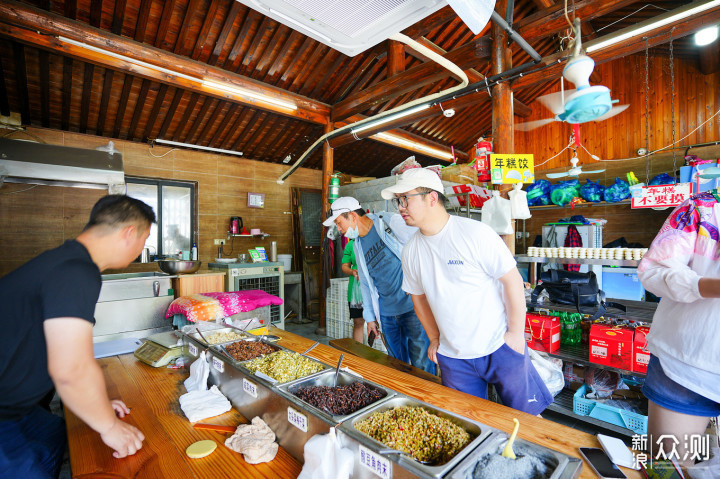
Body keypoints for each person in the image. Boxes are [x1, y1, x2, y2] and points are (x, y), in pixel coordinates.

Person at [0, 195, 153, 477]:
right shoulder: (76, 271)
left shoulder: (65, 261)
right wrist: (109, 426)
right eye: (145, 240)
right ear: (129, 233)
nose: (142, 248)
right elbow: (71, 369)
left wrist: (96, 404)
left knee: (54, 433)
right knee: (32, 466)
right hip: (4, 411)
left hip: (16, 405)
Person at [381, 168, 552, 415]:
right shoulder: (411, 250)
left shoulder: (474, 233)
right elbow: (418, 300)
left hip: (499, 346)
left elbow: (512, 280)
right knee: (468, 426)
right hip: (454, 357)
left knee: (528, 420)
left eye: (406, 198)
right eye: (398, 201)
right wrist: (435, 339)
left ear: (431, 198)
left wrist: (515, 334)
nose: (400, 207)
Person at [637, 192, 720, 467]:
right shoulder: (704, 207)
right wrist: (709, 286)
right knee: (666, 468)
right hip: (685, 365)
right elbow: (652, 271)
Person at [323, 196, 435, 374]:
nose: (338, 229)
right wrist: (370, 317)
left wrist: (419, 280)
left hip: (412, 308)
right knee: (398, 367)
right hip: (387, 315)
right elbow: (366, 284)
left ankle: (427, 400)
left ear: (352, 216)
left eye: (338, 223)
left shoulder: (389, 222)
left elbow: (424, 243)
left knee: (422, 364)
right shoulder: (357, 245)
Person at [341, 239, 365, 343]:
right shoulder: (351, 244)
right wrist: (352, 272)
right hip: (356, 291)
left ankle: (390, 357)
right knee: (358, 322)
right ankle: (358, 356)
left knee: (380, 322)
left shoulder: (374, 240)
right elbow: (344, 266)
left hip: (375, 289)